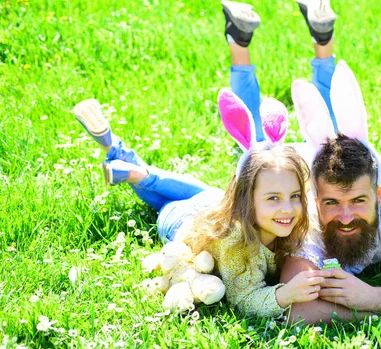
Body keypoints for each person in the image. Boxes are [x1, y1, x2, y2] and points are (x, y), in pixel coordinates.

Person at [223, 0, 381, 323]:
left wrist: (375, 296)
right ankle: (240, 44)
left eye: (358, 200)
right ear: (315, 200)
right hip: (281, 161)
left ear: (380, 192)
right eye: (332, 202)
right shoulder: (306, 219)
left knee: (338, 125)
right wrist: (369, 313)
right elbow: (295, 308)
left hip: (335, 158)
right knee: (253, 137)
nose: (344, 217)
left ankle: (319, 41)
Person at [72, 96, 329, 318]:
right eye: (273, 198)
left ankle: (131, 166)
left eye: (295, 195)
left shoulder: (268, 215)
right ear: (247, 199)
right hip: (181, 221)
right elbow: (244, 300)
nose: (288, 208)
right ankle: (136, 173)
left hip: (213, 201)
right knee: (162, 202)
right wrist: (284, 294)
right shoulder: (237, 244)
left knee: (187, 189)